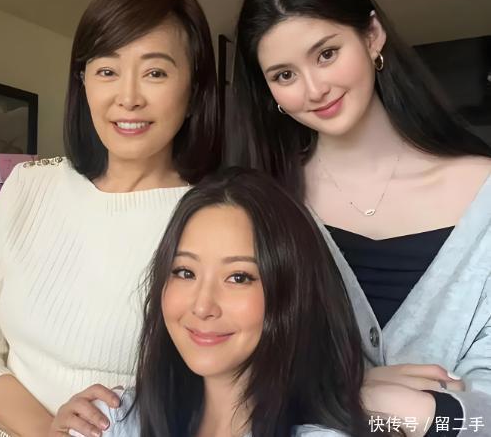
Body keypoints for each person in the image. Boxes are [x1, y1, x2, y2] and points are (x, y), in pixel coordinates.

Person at [0, 0, 221, 437]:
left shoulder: (219, 217)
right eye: (107, 71)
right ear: (84, 83)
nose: (128, 98)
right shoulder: (29, 187)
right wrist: (46, 429)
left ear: (193, 91)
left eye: (155, 72)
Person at [230, 0, 491, 435]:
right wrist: (351, 392)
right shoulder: (262, 205)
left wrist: (401, 408)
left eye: (326, 54)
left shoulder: (484, 197)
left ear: (372, 36)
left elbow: (485, 415)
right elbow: (235, 379)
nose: (314, 89)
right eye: (284, 75)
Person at [73, 167, 424, 437]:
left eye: (238, 277)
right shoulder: (111, 420)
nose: (202, 306)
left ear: (292, 293)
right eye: (185, 272)